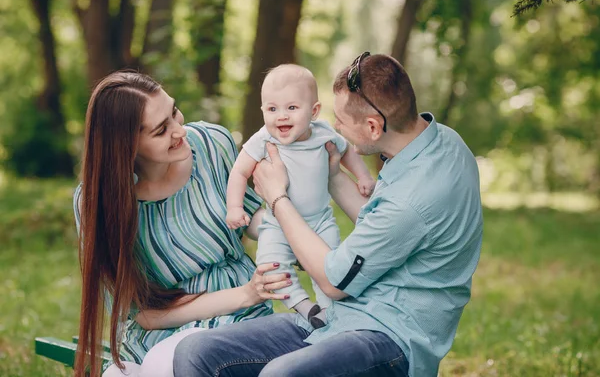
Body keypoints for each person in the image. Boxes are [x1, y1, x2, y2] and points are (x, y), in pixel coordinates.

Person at [172, 53, 483, 377]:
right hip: (341, 314)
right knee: (196, 353)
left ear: (374, 127)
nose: (334, 127)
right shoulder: (439, 142)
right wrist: (333, 175)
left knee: (281, 374)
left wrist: (276, 196)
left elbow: (334, 280)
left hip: (389, 337)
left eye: (342, 121)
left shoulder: (415, 200)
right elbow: (382, 222)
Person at [73, 71, 289, 377]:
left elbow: (248, 215)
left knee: (170, 362)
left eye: (174, 112)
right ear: (126, 147)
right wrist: (247, 292)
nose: (180, 130)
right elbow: (144, 314)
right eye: (161, 130)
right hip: (163, 325)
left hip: (238, 318)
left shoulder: (214, 144)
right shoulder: (97, 203)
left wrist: (286, 228)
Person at [225, 64, 375, 328]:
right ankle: (305, 307)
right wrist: (235, 207)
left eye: (291, 108)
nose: (281, 116)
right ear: (263, 111)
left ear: (314, 111)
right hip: (276, 225)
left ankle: (331, 313)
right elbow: (239, 172)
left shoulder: (323, 133)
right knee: (270, 268)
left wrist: (362, 176)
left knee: (331, 268)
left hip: (320, 221)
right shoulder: (262, 140)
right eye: (272, 109)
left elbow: (346, 153)